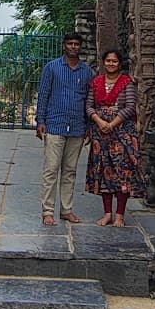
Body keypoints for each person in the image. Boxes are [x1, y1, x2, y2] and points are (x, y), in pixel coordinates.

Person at [35, 32, 93, 226]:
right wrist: (40, 120)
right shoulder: (52, 68)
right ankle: (48, 211)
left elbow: (89, 100)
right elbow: (43, 94)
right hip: (54, 124)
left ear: (80, 47)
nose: (73, 47)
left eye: (77, 44)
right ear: (64, 46)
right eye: (70, 43)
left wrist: (88, 125)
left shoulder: (87, 72)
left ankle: (66, 210)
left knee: (70, 171)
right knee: (51, 170)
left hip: (77, 126)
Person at [84, 48, 145, 226]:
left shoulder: (126, 83)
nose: (111, 64)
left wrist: (112, 124)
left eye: (114, 61)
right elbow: (89, 105)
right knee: (105, 173)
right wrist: (99, 121)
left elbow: (130, 107)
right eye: (108, 61)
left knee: (122, 173)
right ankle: (107, 213)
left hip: (122, 133)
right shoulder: (96, 83)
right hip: (100, 134)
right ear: (104, 63)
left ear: (120, 64)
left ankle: (120, 214)